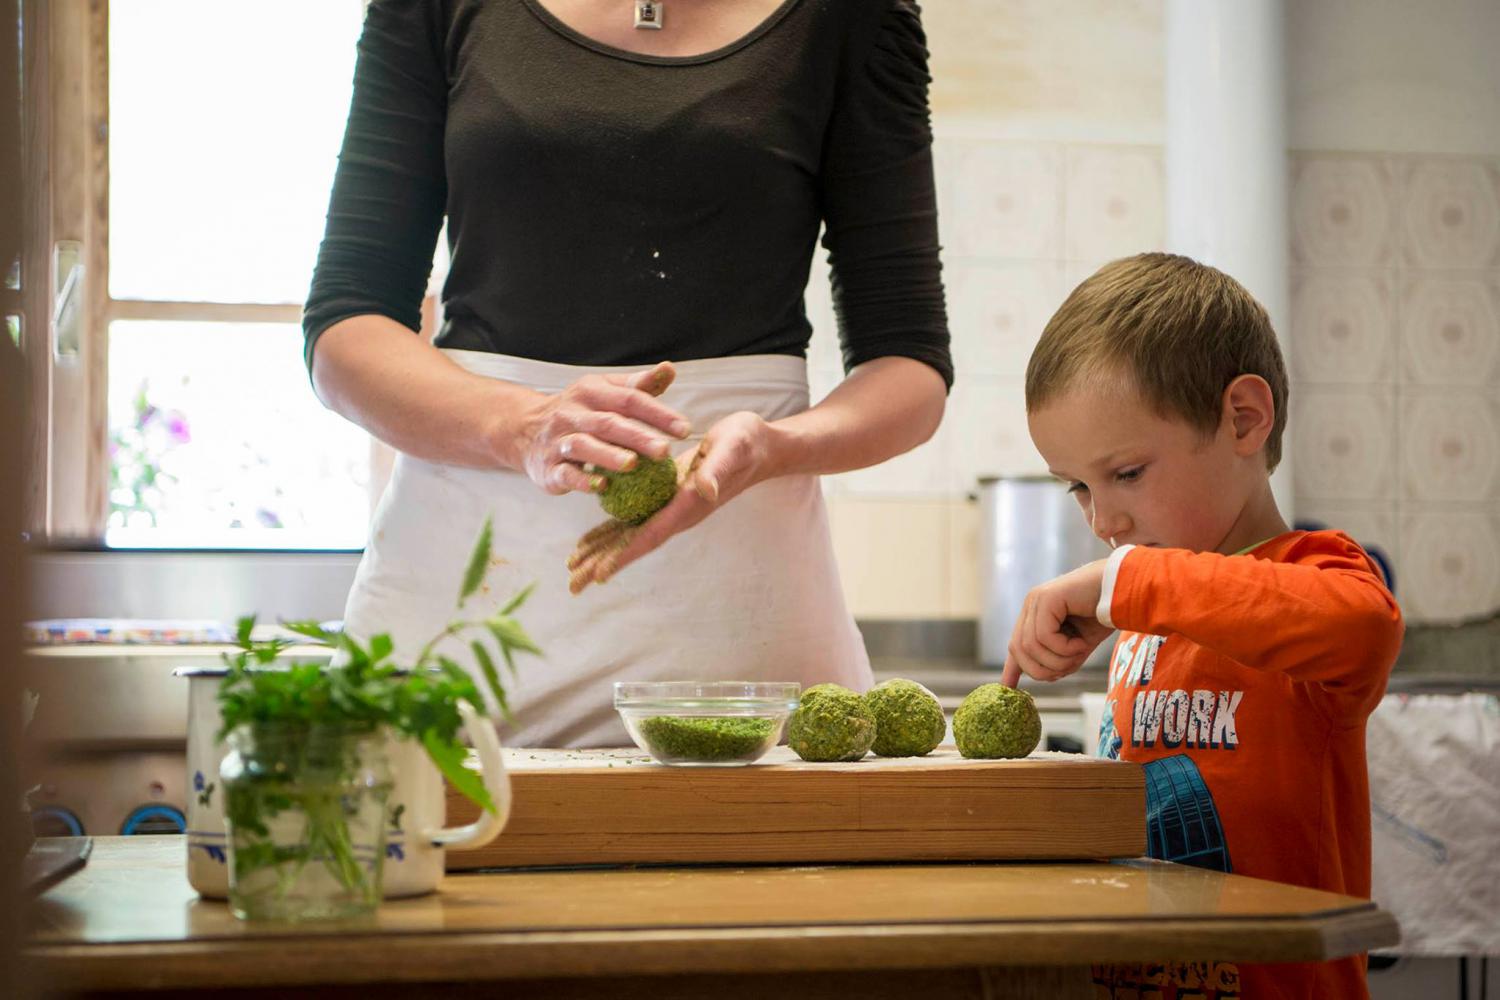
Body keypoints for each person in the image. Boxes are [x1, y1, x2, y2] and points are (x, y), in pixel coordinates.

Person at [302, 0, 952, 747]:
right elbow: (345, 327)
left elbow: (910, 368)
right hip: (463, 602)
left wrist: (776, 447)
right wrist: (522, 428)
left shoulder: (854, 17)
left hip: (738, 612)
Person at [1002, 253, 1403, 1000]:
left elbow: (1365, 626)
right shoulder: (1154, 608)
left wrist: (1131, 584)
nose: (1103, 520)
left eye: (1125, 474)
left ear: (1243, 418)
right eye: (1079, 488)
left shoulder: (1311, 570)